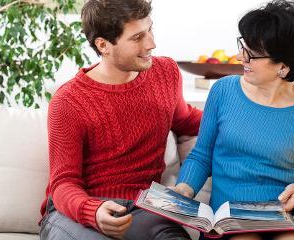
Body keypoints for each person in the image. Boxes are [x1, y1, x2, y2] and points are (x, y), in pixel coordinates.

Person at [174, 1, 294, 240]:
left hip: (289, 215)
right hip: (229, 217)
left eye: (252, 54)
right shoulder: (223, 92)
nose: (240, 56)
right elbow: (202, 156)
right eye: (243, 46)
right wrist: (184, 188)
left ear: (283, 67)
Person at [39, 0, 202, 239]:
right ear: (103, 45)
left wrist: (252, 112)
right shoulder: (69, 101)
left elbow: (187, 120)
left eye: (150, 30)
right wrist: (91, 211)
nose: (151, 44)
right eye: (137, 38)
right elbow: (63, 183)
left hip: (145, 208)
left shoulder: (165, 73)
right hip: (78, 211)